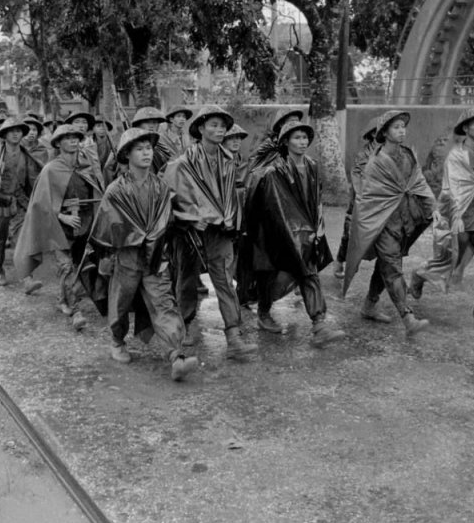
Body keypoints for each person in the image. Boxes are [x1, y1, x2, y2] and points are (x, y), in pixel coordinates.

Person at [87, 128, 198, 381]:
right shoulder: (116, 190)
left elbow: (166, 219)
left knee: (164, 303)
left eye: (149, 148)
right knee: (121, 301)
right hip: (127, 257)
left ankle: (176, 355)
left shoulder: (160, 187)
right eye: (139, 149)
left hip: (157, 255)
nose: (147, 153)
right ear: (127, 154)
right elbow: (107, 226)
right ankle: (117, 340)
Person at [241, 120, 346, 348]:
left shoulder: (311, 165)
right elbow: (277, 207)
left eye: (305, 137)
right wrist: (295, 232)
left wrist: (316, 228)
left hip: (305, 232)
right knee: (273, 277)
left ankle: (319, 324)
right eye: (297, 137)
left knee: (308, 272)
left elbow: (315, 200)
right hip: (278, 233)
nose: (302, 141)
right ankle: (264, 312)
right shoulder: (273, 171)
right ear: (286, 141)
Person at [163, 105, 256, 361]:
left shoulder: (229, 159)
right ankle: (182, 330)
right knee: (186, 281)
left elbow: (231, 195)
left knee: (225, 281)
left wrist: (231, 219)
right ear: (201, 128)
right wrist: (190, 218)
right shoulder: (182, 163)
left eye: (222, 126)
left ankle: (234, 337)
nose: (219, 130)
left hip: (221, 231)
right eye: (213, 125)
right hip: (191, 232)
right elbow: (169, 197)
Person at [342, 110, 435, 337]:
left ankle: (369, 304)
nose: (402, 130)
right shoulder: (375, 163)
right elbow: (370, 197)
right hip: (382, 223)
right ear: (384, 132)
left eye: (403, 126)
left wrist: (431, 207)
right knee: (393, 268)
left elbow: (417, 182)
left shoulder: (408, 155)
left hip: (403, 221)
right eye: (396, 127)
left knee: (385, 266)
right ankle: (408, 317)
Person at [409, 108, 474, 320]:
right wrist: (456, 216)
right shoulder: (456, 157)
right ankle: (419, 275)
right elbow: (451, 188)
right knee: (449, 260)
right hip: (459, 215)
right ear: (466, 128)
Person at [14, 124, 104, 332]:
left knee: (80, 265)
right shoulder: (50, 169)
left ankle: (63, 299)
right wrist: (62, 215)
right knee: (66, 266)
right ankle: (76, 311)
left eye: (75, 137)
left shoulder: (85, 165)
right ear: (58, 143)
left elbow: (97, 191)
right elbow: (41, 202)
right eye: (67, 138)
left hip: (85, 224)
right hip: (59, 227)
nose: (73, 141)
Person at [0, 117, 44, 291]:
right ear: (4, 134)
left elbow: (34, 180)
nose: (15, 134)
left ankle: (27, 278)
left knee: (22, 240)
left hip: (20, 203)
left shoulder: (26, 155)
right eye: (11, 131)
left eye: (18, 131)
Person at [334, 116, 381, 279]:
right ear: (374, 134)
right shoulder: (363, 154)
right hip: (361, 200)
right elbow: (357, 179)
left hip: (380, 201)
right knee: (351, 235)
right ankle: (341, 260)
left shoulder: (389, 151)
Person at [246, 108, 305, 175]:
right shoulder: (271, 142)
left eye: (297, 122)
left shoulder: (298, 143)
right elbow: (252, 162)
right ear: (281, 124)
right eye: (292, 121)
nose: (295, 125)